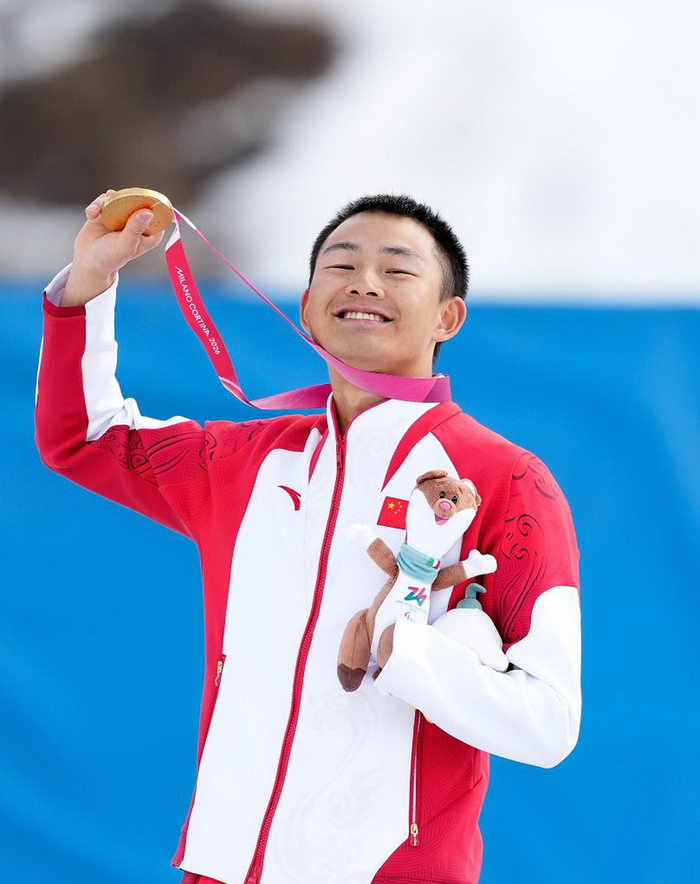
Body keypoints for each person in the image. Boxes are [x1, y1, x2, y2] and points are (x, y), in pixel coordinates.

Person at [35, 190, 581, 884]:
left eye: (397, 269)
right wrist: (91, 279)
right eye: (341, 265)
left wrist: (406, 652)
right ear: (307, 308)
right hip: (222, 868)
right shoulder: (247, 463)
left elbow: (548, 721)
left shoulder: (506, 481)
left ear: (448, 316)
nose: (364, 283)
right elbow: (84, 436)